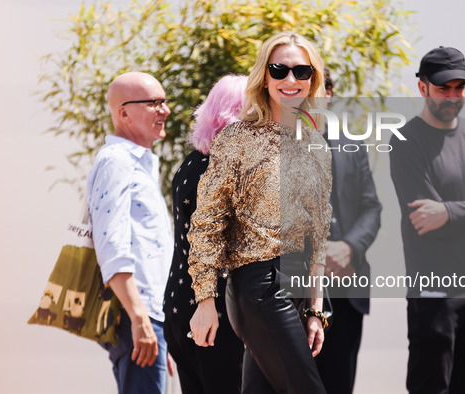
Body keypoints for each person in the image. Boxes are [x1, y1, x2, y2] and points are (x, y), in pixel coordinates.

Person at [187, 31, 331, 394]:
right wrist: (205, 302)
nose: (290, 80)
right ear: (264, 76)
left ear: (313, 79)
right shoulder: (238, 138)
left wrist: (315, 310)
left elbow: (319, 234)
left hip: (297, 287)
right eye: (279, 69)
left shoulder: (315, 143)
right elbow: (206, 222)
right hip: (261, 287)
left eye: (302, 71)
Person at [389, 47, 465, 394]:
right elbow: (423, 217)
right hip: (435, 294)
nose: (453, 96)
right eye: (444, 88)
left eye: (460, 87)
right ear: (422, 87)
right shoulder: (405, 140)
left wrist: (449, 212)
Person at [87, 72, 173, 394]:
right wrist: (140, 320)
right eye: (154, 103)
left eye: (164, 101)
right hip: (136, 313)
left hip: (151, 316)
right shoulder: (116, 163)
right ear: (123, 112)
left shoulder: (140, 164)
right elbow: (112, 246)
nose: (164, 110)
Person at [163, 74, 247, 394]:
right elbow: (209, 241)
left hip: (181, 306)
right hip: (211, 312)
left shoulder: (192, 162)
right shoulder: (219, 169)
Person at [314, 68, 382, 394]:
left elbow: (372, 208)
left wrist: (349, 247)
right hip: (296, 292)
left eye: (318, 87)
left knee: (340, 384)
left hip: (346, 289)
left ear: (330, 91)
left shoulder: (353, 144)